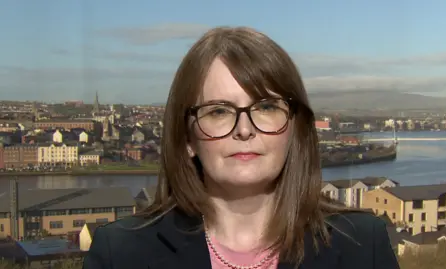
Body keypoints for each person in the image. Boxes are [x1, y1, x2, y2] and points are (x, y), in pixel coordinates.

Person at [83, 26, 400, 269]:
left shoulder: (362, 245)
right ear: (188, 139)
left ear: (294, 128)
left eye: (265, 107)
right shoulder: (121, 254)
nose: (244, 130)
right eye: (219, 111)